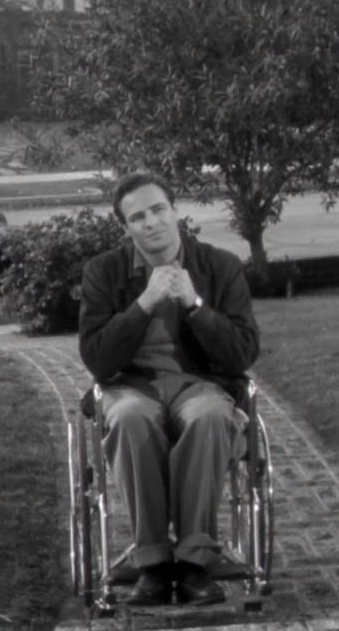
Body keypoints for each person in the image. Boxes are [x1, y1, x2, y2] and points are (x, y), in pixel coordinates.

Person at [78, 172, 260, 606]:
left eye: (158, 209)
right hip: (131, 386)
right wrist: (143, 304)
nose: (151, 222)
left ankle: (195, 564)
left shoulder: (220, 266)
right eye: (138, 217)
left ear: (175, 210)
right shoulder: (103, 273)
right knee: (128, 418)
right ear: (126, 227)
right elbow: (98, 359)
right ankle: (155, 564)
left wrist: (195, 305)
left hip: (202, 384)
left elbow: (241, 354)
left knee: (209, 417)